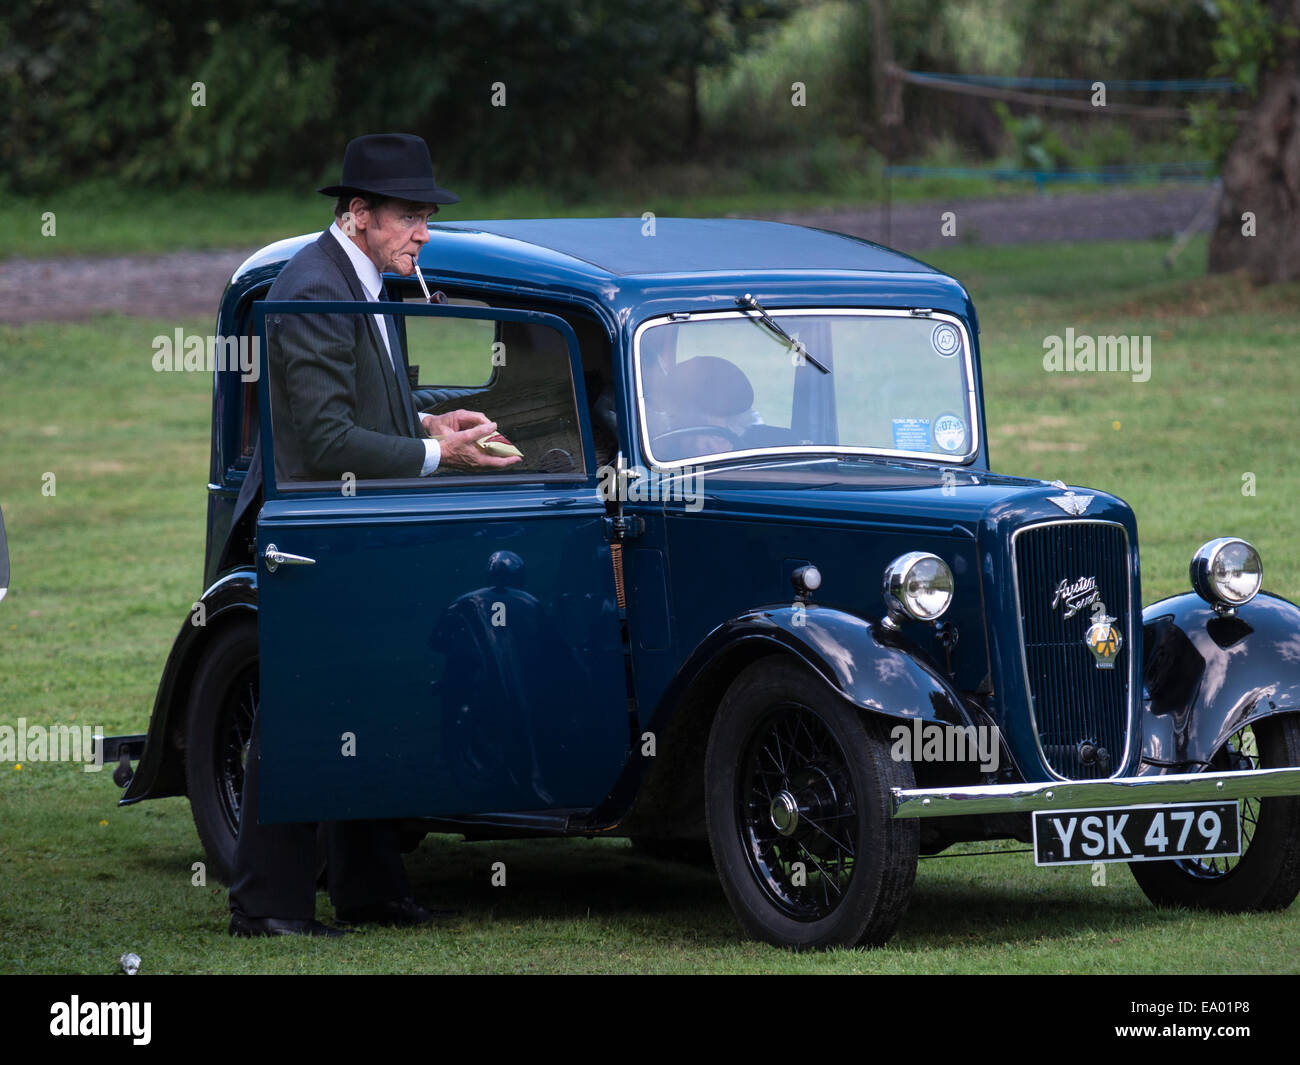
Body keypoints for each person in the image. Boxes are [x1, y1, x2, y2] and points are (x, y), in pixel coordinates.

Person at [228, 132, 513, 938]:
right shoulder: (316, 287)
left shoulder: (360, 278)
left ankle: (372, 891)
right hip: (317, 531)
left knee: (370, 702)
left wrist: (430, 419)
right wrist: (439, 453)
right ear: (359, 215)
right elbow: (319, 438)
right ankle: (265, 905)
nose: (422, 233)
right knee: (303, 714)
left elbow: (355, 409)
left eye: (425, 216)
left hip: (352, 523)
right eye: (409, 217)